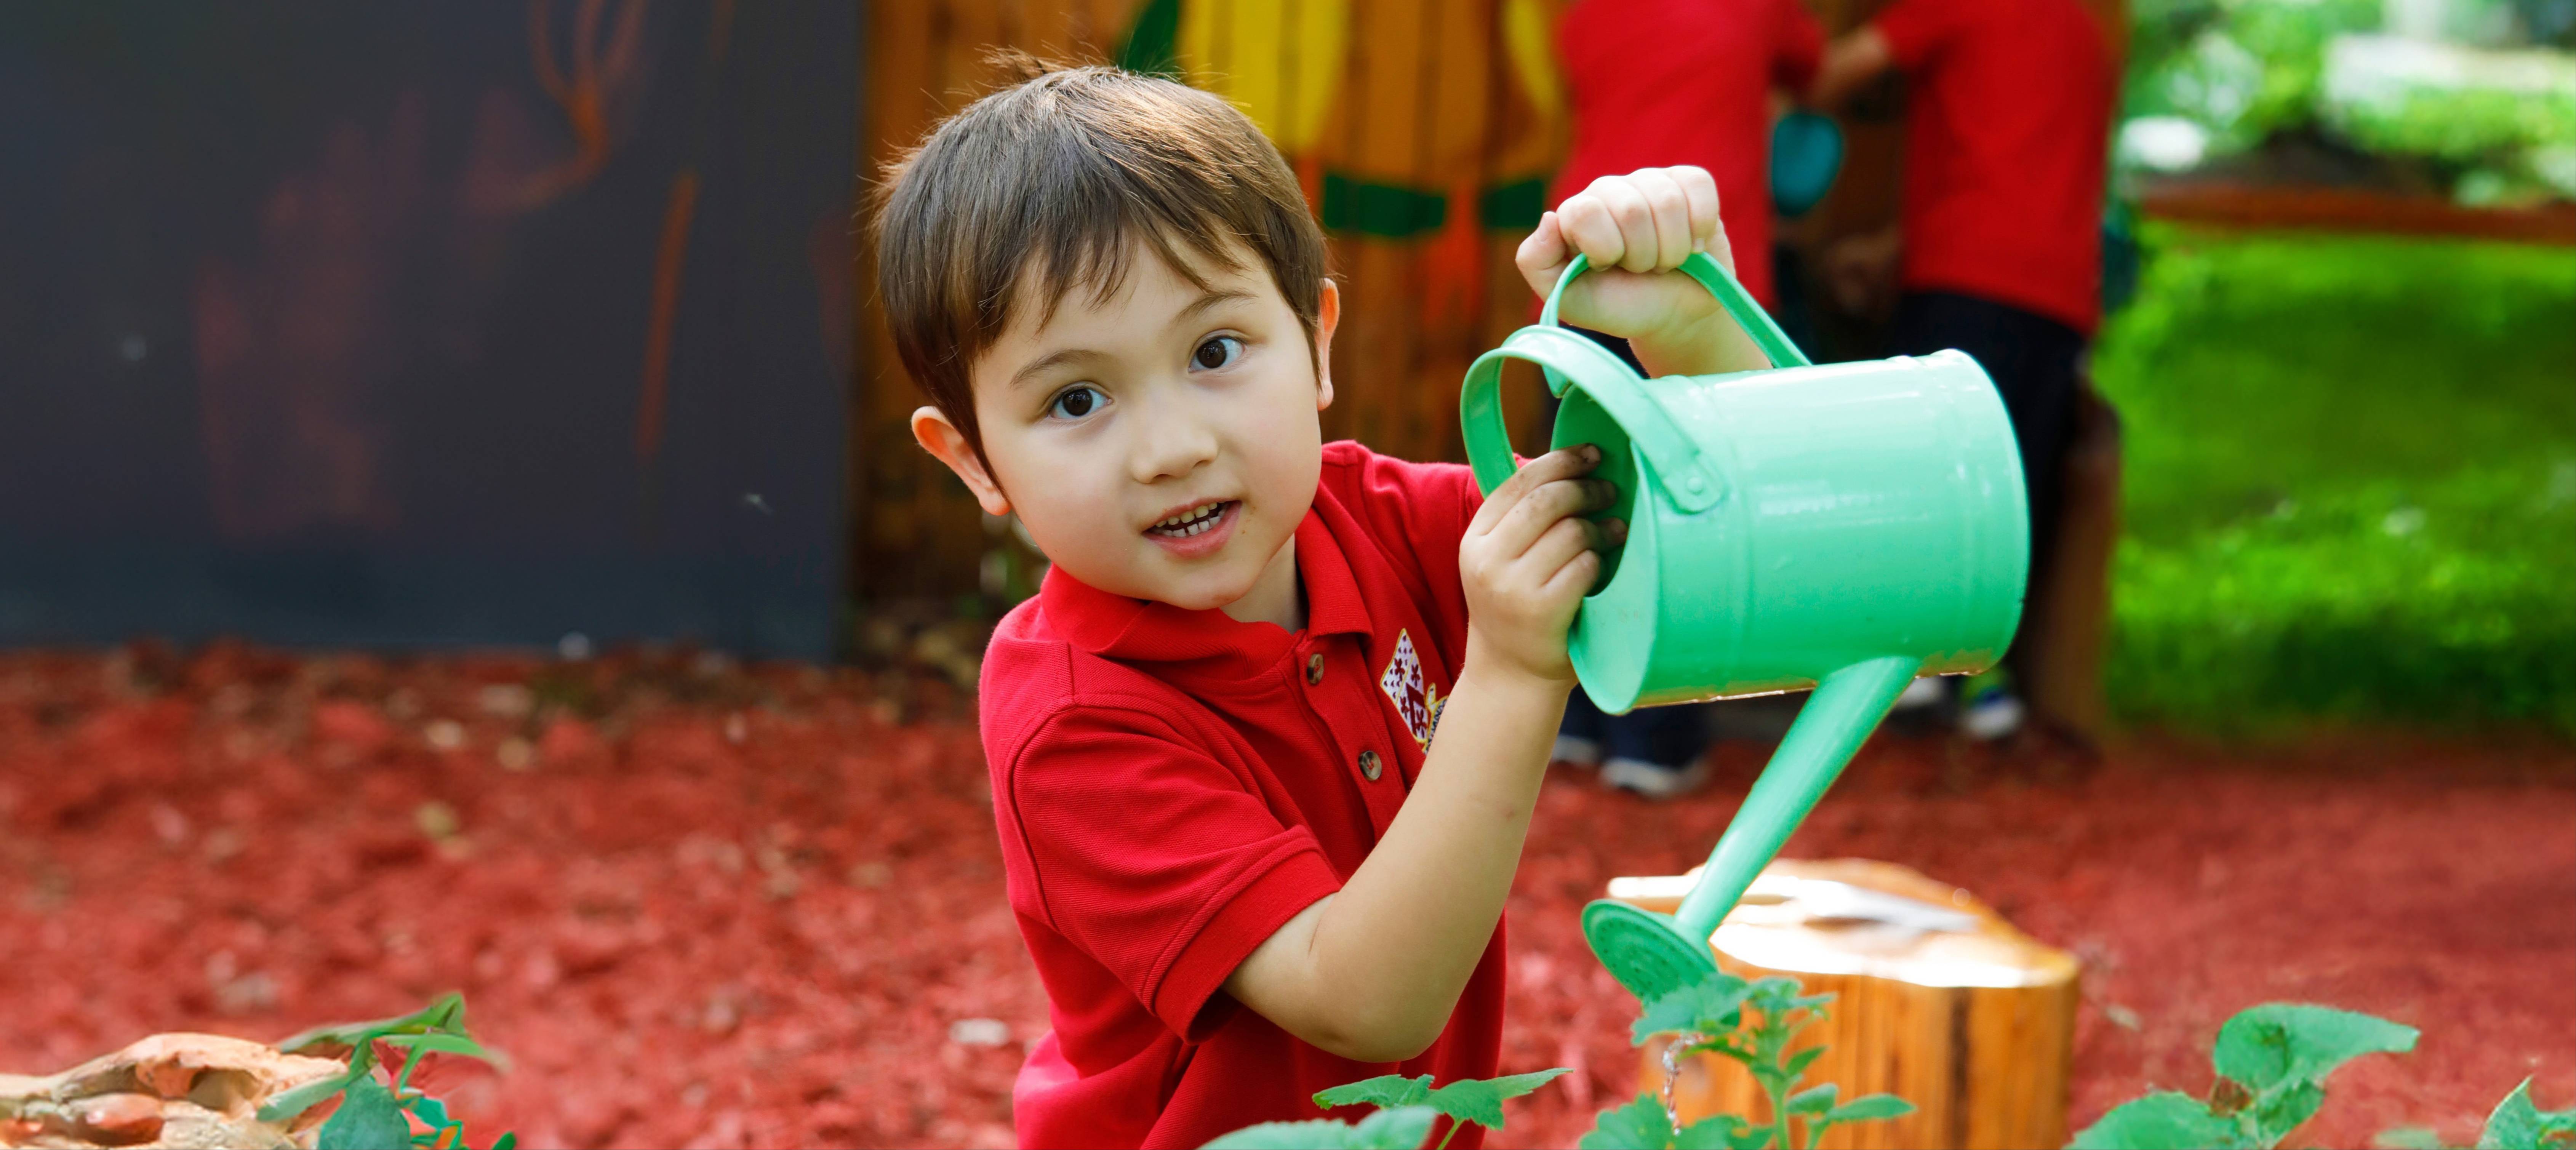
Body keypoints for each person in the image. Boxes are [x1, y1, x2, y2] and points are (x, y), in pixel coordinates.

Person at [872, 60, 1766, 1149]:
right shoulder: (1074, 718)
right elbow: (1364, 1002)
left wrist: (1689, 333)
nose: (1174, 446)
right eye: (1075, 399)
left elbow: (1738, 565)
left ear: (1317, 341)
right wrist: (1512, 673)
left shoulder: (1382, 520)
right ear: (973, 462)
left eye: (1213, 351)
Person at [1809, 0, 2115, 739]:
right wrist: (1892, 247)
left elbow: (1840, 70)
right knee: (2017, 478)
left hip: (1968, 275)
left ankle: (1910, 673)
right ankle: (1992, 682)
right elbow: (2021, 167)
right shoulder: (2082, 28)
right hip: (2058, 287)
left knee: (1927, 472)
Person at [1547, 0, 1825, 796]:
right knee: (1692, 497)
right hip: (1699, 272)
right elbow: (1814, 68)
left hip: (1585, 260)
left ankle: (1574, 714)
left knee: (1584, 476)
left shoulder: (1584, 14)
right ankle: (1658, 732)